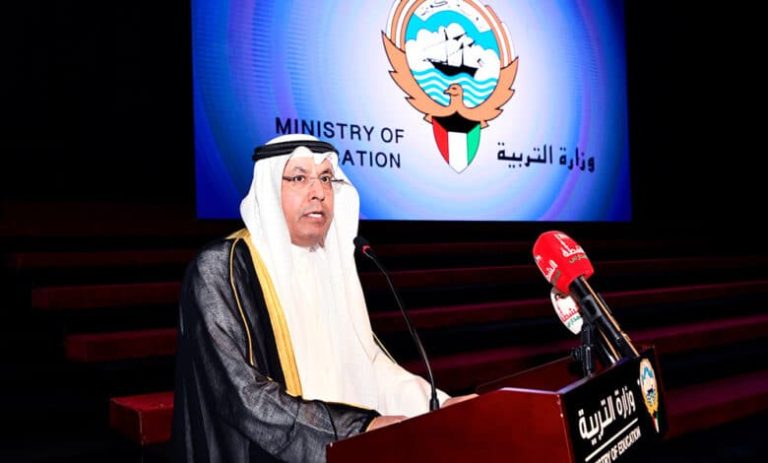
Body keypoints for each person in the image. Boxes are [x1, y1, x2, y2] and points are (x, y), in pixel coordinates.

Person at [172, 134, 473, 462]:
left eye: (327, 179)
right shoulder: (222, 268)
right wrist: (354, 429)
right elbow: (241, 392)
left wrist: (436, 405)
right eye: (299, 178)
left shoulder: (330, 266)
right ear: (269, 189)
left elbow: (369, 365)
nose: (318, 192)